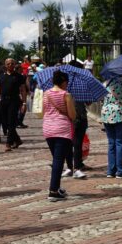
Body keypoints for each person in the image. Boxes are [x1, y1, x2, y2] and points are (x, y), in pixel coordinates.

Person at [43, 71, 77, 201]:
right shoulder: (66, 95)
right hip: (62, 129)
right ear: (64, 82)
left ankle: (56, 187)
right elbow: (73, 115)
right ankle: (53, 191)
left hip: (48, 129)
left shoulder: (46, 94)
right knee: (58, 161)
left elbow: (43, 110)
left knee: (57, 159)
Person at [0, 59, 26, 151]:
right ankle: (17, 140)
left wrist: (24, 103)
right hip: (3, 101)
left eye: (12, 63)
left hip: (14, 101)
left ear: (15, 65)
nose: (10, 65)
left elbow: (22, 90)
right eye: (8, 64)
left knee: (11, 122)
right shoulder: (2, 76)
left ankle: (8, 143)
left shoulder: (19, 77)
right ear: (5, 65)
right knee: (5, 123)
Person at [64, 60, 89, 178]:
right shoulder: (82, 83)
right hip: (79, 116)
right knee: (77, 142)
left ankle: (70, 166)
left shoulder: (63, 84)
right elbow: (88, 102)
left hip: (67, 118)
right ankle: (77, 166)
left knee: (69, 142)